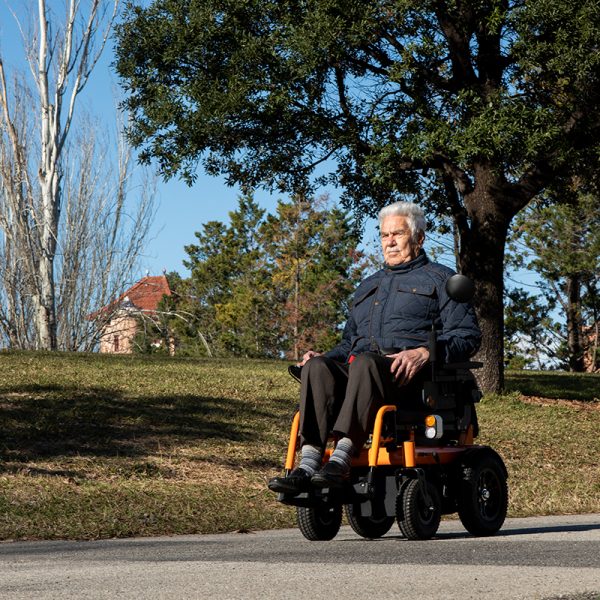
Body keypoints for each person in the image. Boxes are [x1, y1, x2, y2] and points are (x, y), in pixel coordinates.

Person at [268, 201, 481, 494]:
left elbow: (467, 336)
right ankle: (308, 462)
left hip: (408, 380)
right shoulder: (368, 285)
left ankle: (343, 455)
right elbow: (348, 344)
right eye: (384, 235)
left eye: (398, 234)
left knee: (366, 362)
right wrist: (323, 357)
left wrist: (425, 352)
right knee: (319, 368)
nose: (390, 241)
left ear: (418, 238)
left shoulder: (442, 280)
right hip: (361, 377)